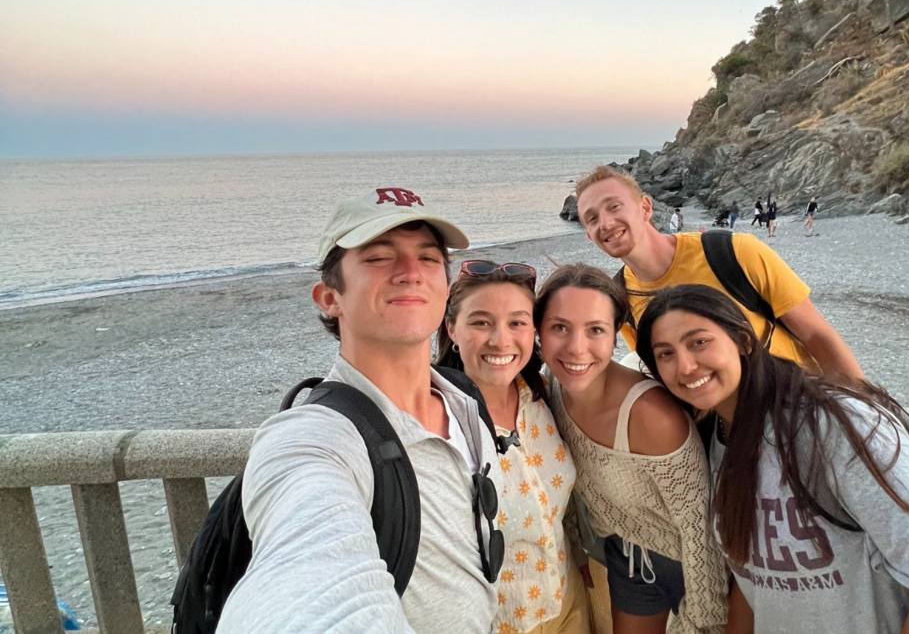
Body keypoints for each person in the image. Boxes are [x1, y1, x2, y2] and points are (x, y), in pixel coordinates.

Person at [636, 284, 909, 634]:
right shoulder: (714, 442)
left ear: (744, 341)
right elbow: (756, 587)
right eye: (665, 353)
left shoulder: (838, 427)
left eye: (699, 342)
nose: (685, 366)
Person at [218, 188, 503, 633]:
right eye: (378, 258)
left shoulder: (464, 400)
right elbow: (307, 572)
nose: (410, 273)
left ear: (446, 290)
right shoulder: (317, 437)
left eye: (429, 259)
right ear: (329, 298)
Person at [535, 264, 728, 634]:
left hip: (687, 564)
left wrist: (706, 619)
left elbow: (698, 527)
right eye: (560, 327)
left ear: (614, 336)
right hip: (626, 556)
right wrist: (575, 549)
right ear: (539, 332)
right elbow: (564, 477)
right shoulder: (551, 389)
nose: (577, 348)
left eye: (595, 330)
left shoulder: (650, 416)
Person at [573, 165, 863, 381]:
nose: (606, 223)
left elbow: (816, 334)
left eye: (614, 207)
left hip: (797, 405)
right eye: (592, 218)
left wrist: (866, 412)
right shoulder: (621, 300)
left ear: (645, 207)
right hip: (725, 438)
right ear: (588, 234)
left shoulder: (733, 252)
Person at [436, 260, 593, 634]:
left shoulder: (542, 396)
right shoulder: (436, 421)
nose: (500, 340)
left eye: (517, 323)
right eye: (481, 322)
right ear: (451, 328)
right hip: (500, 621)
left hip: (567, 601)